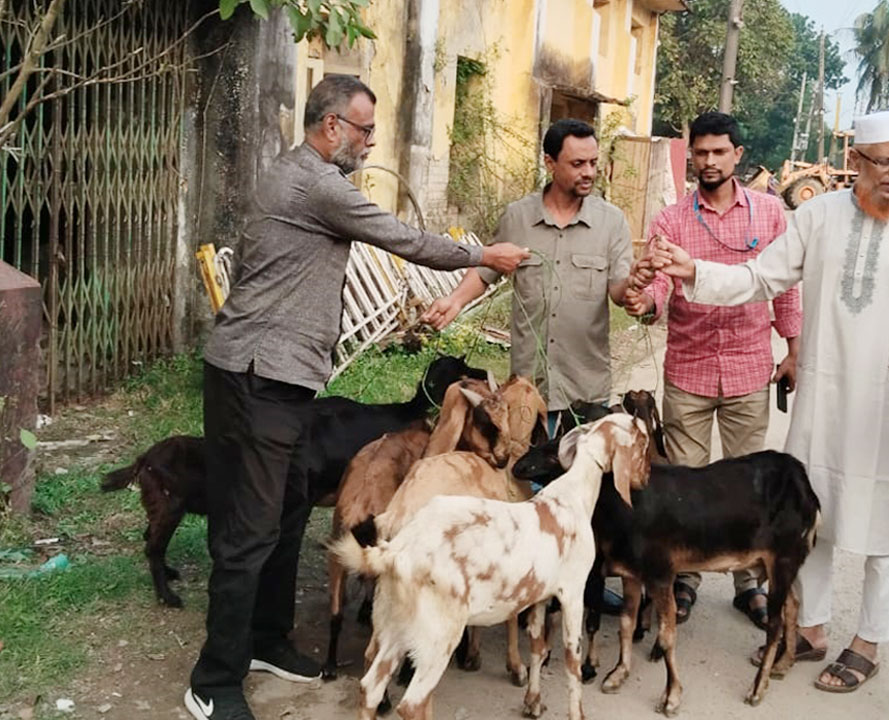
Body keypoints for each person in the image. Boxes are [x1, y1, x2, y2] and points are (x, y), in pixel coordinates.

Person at [187, 74, 527, 720]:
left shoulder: (302, 175)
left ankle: (265, 640)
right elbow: (404, 239)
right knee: (249, 530)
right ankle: (213, 680)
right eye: (366, 130)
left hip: (282, 379)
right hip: (254, 377)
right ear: (332, 126)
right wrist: (484, 254)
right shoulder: (317, 184)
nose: (371, 142)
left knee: (289, 509)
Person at [643, 110, 889, 694]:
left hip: (888, 403)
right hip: (824, 394)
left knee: (884, 521)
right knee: (808, 517)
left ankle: (869, 640)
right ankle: (812, 628)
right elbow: (759, 278)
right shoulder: (817, 216)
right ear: (856, 161)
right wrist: (695, 270)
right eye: (884, 162)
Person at [625, 111, 800, 627]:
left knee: (747, 485)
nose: (709, 161)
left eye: (719, 151)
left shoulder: (769, 214)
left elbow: (786, 287)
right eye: (700, 152)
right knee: (684, 485)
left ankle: (749, 585)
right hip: (689, 370)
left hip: (749, 367)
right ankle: (685, 580)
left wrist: (794, 351)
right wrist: (646, 303)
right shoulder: (671, 220)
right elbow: (660, 284)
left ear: (737, 155)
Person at [425, 119, 633, 431]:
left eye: (593, 162)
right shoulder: (518, 218)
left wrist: (637, 286)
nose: (589, 172)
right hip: (526, 392)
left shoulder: (611, 222)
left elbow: (619, 290)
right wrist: (455, 301)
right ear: (550, 163)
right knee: (524, 464)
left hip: (586, 393)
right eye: (578, 164)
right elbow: (485, 270)